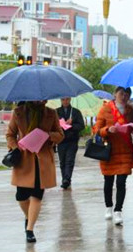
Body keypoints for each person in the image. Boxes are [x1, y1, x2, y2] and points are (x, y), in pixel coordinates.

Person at [6, 101, 64, 243]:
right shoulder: (18, 112)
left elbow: (60, 135)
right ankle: (29, 217)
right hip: (23, 159)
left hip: (42, 160)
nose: (42, 101)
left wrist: (47, 135)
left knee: (37, 195)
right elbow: (10, 134)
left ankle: (30, 229)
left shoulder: (51, 113)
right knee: (21, 196)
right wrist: (15, 148)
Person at [94, 86, 133, 226]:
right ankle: (109, 207)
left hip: (125, 150)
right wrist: (107, 130)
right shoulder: (105, 109)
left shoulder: (130, 110)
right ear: (115, 94)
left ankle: (118, 210)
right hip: (109, 151)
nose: (124, 97)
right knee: (108, 181)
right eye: (121, 94)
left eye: (127, 94)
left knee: (121, 182)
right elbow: (96, 129)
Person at [56, 97, 84, 190]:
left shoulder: (75, 112)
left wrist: (71, 125)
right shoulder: (56, 112)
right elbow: (52, 125)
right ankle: (64, 178)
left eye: (67, 99)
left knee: (69, 160)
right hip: (61, 140)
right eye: (63, 99)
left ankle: (67, 179)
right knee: (62, 161)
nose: (65, 101)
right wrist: (60, 125)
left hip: (72, 140)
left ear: (70, 99)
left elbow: (81, 126)